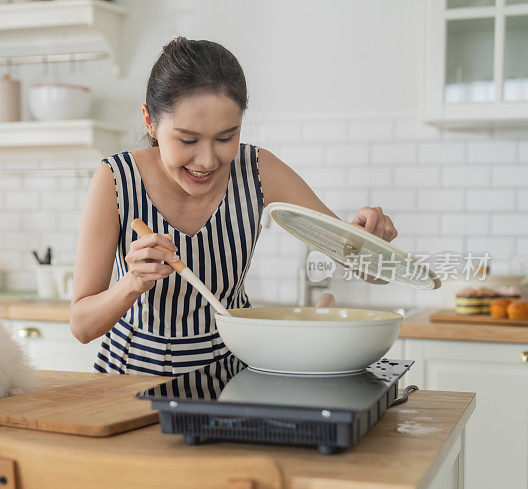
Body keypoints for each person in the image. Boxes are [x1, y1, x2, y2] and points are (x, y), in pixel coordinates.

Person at [70, 37, 397, 377]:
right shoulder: (115, 179)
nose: (208, 160)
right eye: (188, 140)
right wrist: (132, 283)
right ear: (149, 121)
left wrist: (373, 243)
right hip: (130, 380)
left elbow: (366, 267)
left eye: (226, 137)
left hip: (231, 375)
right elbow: (81, 326)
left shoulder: (257, 169)